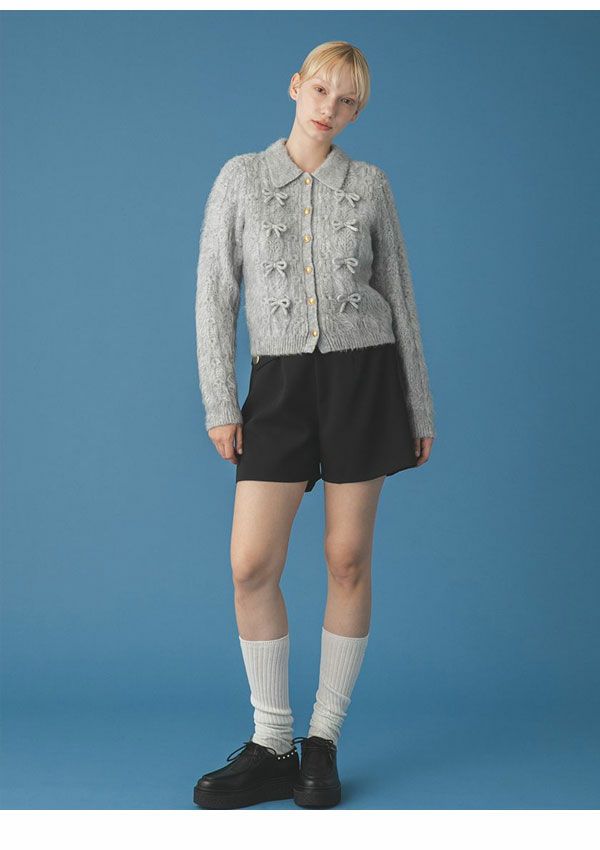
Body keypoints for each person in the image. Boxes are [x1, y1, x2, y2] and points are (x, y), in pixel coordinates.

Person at [193, 41, 436, 810]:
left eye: (348, 100)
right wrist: (221, 403)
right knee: (250, 565)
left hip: (365, 382)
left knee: (346, 559)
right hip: (280, 386)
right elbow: (214, 296)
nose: (331, 108)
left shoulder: (370, 186)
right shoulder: (240, 178)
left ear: (359, 110)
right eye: (322, 90)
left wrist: (418, 405)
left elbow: (400, 295)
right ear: (296, 86)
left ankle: (322, 742)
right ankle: (273, 742)